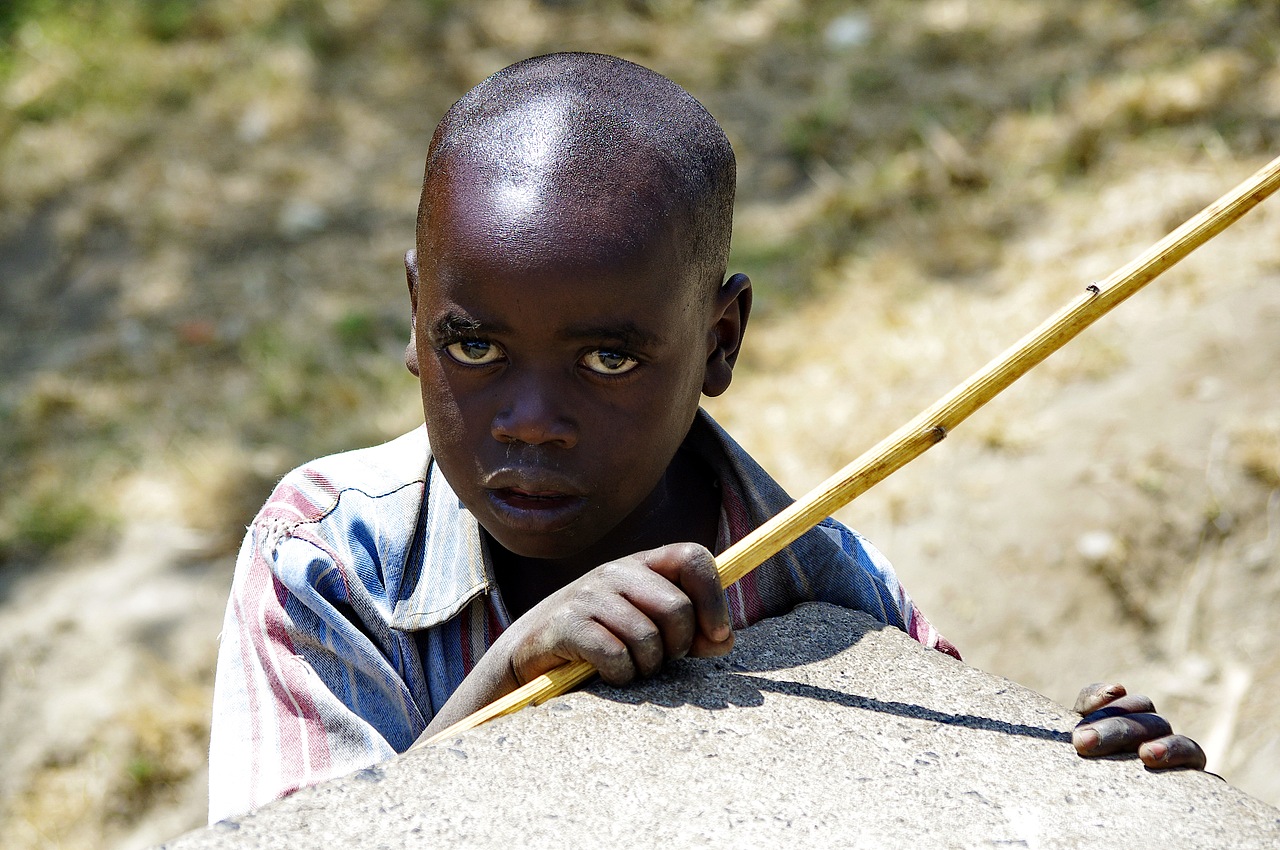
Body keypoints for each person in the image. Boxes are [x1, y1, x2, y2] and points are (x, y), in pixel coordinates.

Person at [208, 52, 1205, 824]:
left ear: (717, 342)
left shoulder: (811, 577)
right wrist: (508, 673)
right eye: (470, 343)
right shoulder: (325, 563)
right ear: (415, 318)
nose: (529, 419)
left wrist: (1078, 774)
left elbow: (937, 791)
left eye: (606, 359)